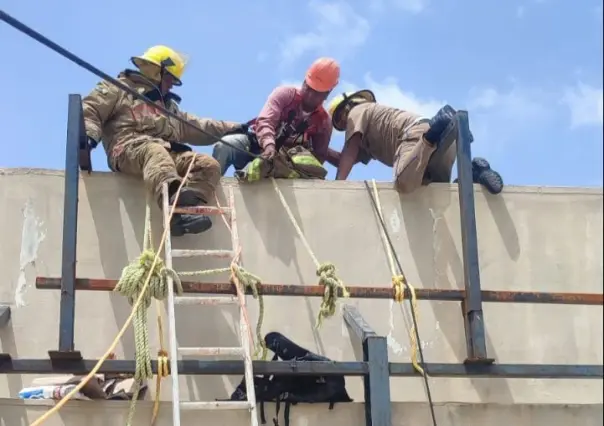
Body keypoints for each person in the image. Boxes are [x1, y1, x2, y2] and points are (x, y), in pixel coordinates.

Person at [82, 45, 247, 236]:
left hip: (163, 154)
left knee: (207, 165)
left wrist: (231, 128)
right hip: (127, 148)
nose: (171, 85)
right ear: (156, 71)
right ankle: (171, 209)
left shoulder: (168, 108)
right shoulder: (119, 88)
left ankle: (181, 213)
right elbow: (91, 109)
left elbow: (198, 125)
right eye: (169, 79)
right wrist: (89, 136)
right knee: (155, 151)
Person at [326, 90, 504, 194]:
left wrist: (337, 188)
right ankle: (472, 174)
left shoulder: (358, 112)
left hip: (420, 136)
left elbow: (349, 151)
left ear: (346, 108)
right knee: (437, 195)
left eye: (340, 121)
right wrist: (320, 150)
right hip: (438, 146)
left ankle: (434, 132)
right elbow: (345, 160)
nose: (343, 126)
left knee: (403, 184)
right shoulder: (367, 135)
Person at [212, 57, 341, 177]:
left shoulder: (323, 123)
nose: (310, 95)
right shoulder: (285, 95)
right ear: (304, 82)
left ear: (327, 94)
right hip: (255, 145)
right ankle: (209, 190)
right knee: (225, 146)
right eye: (308, 88)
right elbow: (265, 121)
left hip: (283, 165)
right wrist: (269, 145)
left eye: (317, 93)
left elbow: (318, 157)